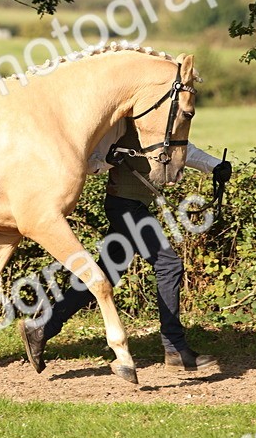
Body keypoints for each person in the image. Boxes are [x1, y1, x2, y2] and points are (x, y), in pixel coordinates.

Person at [18, 128, 232, 374]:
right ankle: (175, 349)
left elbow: (183, 150)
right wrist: (109, 161)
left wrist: (216, 165)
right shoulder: (119, 126)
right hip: (125, 207)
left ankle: (41, 329)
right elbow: (88, 160)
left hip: (132, 206)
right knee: (169, 265)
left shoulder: (157, 126)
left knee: (105, 275)